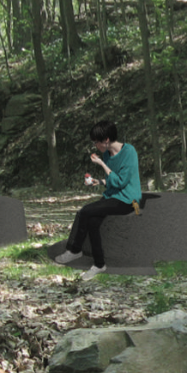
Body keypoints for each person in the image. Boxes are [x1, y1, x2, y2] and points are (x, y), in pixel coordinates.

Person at [55, 120, 142, 280]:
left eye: (96, 142)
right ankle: (99, 264)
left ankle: (74, 250)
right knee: (93, 222)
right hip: (113, 196)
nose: (95, 146)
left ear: (106, 140)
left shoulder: (129, 152)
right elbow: (112, 180)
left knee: (85, 211)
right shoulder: (107, 154)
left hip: (129, 199)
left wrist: (102, 164)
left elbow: (121, 182)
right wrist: (99, 181)